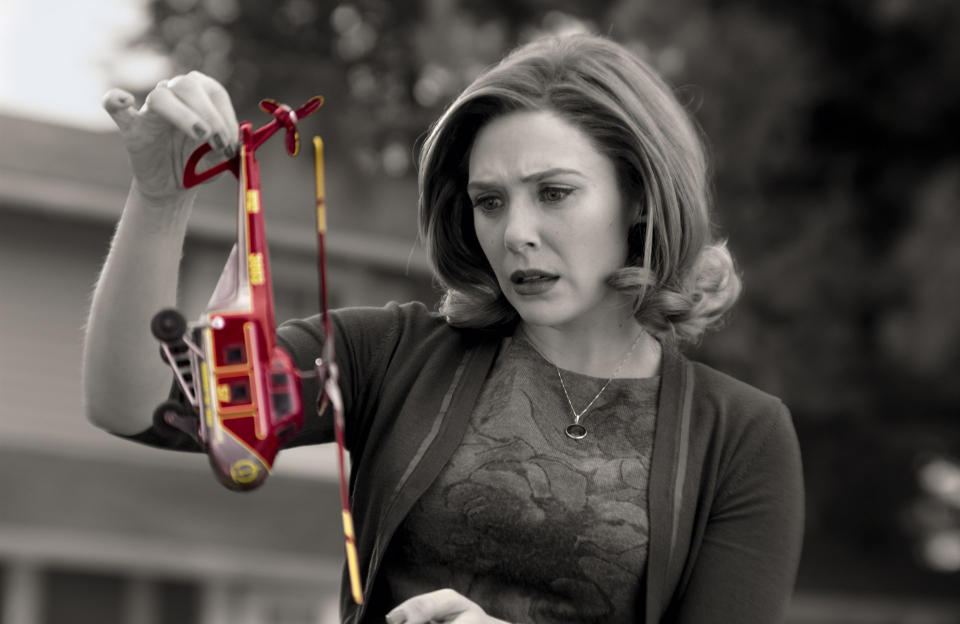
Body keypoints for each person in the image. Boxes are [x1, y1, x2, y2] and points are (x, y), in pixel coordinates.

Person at [83, 33, 804, 624]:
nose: (517, 232)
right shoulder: (389, 355)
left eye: (554, 193)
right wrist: (159, 196)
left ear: (640, 199)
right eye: (490, 201)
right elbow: (141, 406)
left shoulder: (741, 436)